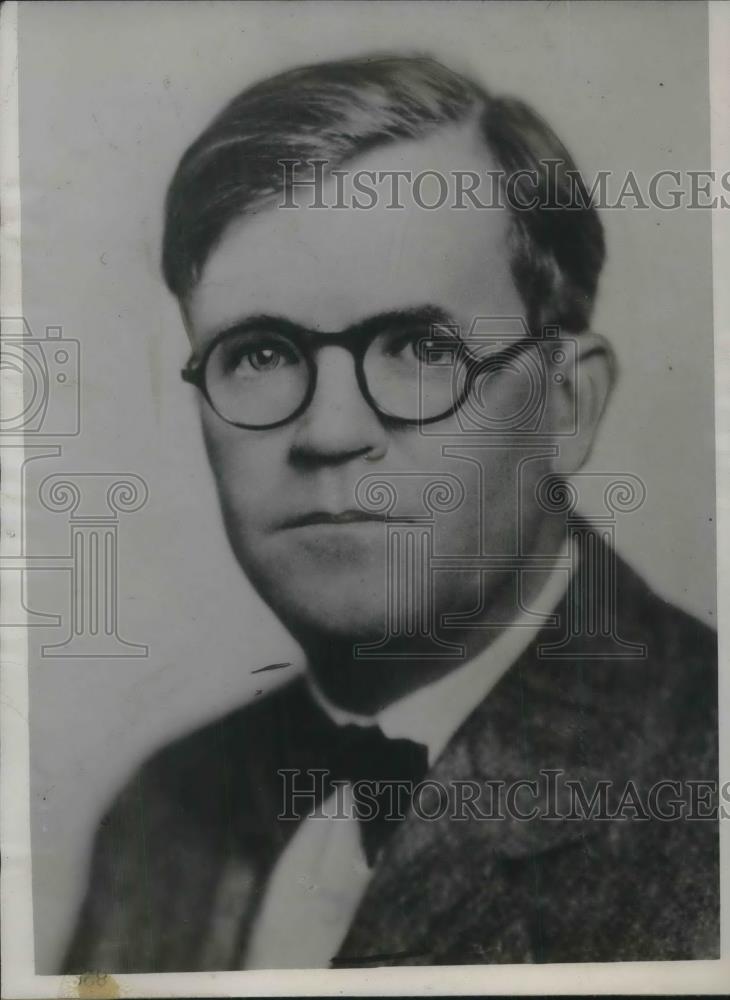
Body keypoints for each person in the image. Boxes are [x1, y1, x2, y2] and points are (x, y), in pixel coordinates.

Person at [62, 54, 718, 972]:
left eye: (418, 346)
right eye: (260, 354)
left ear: (567, 406)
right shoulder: (160, 817)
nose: (330, 432)